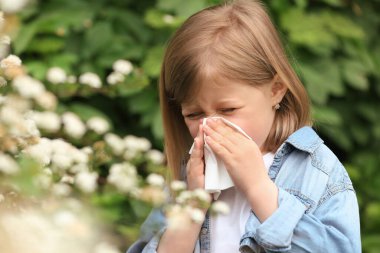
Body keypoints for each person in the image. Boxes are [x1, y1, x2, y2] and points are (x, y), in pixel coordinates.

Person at [127, 0, 361, 252]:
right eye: (194, 114)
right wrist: (192, 205)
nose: (210, 126)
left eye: (228, 110)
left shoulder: (316, 171)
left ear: (275, 91)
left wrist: (257, 187)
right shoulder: (185, 179)